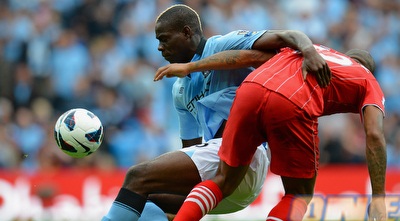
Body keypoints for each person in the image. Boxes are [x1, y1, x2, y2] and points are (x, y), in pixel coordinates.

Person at [102, 4, 331, 221]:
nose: (160, 47)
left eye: (164, 39)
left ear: (186, 32)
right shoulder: (179, 89)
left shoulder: (222, 45)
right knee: (144, 201)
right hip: (222, 177)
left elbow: (289, 35)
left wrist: (309, 50)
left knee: (137, 176)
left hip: (247, 157)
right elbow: (191, 149)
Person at [163, 46, 387, 221]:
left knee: (223, 179)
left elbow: (247, 56)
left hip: (249, 90)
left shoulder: (308, 50)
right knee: (299, 195)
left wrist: (192, 67)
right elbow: (374, 135)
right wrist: (378, 197)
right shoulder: (368, 80)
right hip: (292, 102)